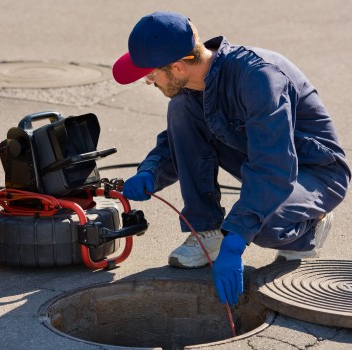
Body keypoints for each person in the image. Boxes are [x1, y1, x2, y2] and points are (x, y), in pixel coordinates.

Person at [112, 11, 350, 306]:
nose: (148, 81)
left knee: (259, 224)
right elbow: (183, 140)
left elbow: (273, 168)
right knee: (182, 109)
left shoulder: (259, 79)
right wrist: (151, 171)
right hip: (262, 156)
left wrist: (236, 239)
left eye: (150, 74)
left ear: (177, 67)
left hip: (317, 172)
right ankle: (206, 231)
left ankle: (310, 226)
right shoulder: (198, 82)